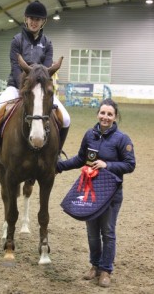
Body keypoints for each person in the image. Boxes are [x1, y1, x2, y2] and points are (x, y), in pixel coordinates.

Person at [0, 0, 70, 168]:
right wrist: (23, 89)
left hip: (40, 89)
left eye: (38, 19)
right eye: (31, 18)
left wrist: (38, 88)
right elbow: (16, 68)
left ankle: (57, 154)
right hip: (16, 86)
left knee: (65, 118)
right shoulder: (16, 41)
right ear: (25, 19)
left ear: (43, 21)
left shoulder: (48, 43)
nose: (34, 22)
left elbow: (46, 68)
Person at [56, 98, 136, 288]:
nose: (105, 117)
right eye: (102, 113)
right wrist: (58, 166)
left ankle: (106, 270)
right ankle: (95, 266)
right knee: (92, 233)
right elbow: (81, 159)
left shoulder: (122, 139)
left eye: (109, 114)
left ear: (115, 117)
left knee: (107, 232)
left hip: (111, 194)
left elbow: (130, 164)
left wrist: (107, 164)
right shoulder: (90, 135)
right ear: (97, 114)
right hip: (90, 192)